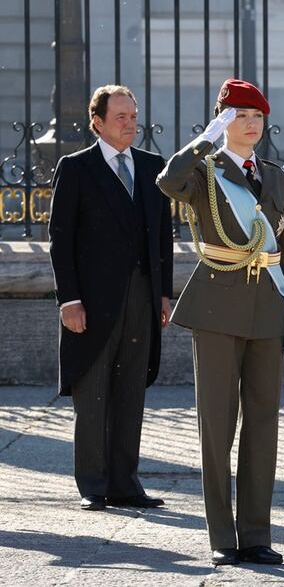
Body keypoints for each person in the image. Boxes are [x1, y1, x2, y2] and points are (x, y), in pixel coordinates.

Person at [157, 78, 284, 566]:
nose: (251, 124)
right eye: (240, 115)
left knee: (263, 423)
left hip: (268, 305)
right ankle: (223, 536)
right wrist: (204, 138)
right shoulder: (205, 169)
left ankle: (256, 534)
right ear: (223, 120)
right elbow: (167, 182)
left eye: (257, 116)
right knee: (217, 426)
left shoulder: (276, 175)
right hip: (218, 304)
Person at [48, 84, 173, 512]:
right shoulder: (77, 168)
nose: (130, 124)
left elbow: (162, 239)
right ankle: (93, 483)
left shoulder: (153, 166)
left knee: (130, 389)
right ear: (97, 121)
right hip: (93, 300)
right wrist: (69, 300)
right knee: (94, 390)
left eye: (133, 116)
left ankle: (126, 482)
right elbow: (59, 240)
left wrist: (164, 294)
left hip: (141, 295)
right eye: (120, 117)